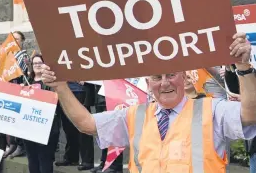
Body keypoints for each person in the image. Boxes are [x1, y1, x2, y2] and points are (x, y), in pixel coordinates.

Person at [41, 32, 256, 172]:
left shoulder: (212, 110)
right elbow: (87, 123)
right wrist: (60, 87)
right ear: (148, 83)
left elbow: (250, 115)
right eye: (156, 78)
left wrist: (243, 67)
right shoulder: (135, 115)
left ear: (184, 76)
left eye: (171, 75)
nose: (164, 83)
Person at [23, 54, 60, 173]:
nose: (37, 65)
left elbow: (56, 101)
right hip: (29, 129)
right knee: (32, 160)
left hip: (46, 129)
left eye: (40, 63)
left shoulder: (51, 82)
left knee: (45, 160)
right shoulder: (27, 81)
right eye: (35, 63)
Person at [55, 81, 94, 170]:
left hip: (79, 91)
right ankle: (71, 157)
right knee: (67, 127)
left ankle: (87, 161)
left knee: (84, 127)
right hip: (63, 90)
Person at [4, 31, 30, 158]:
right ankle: (12, 144)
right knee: (10, 120)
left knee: (18, 120)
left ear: (22, 41)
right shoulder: (9, 56)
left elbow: (22, 76)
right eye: (12, 39)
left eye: (17, 39)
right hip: (9, 92)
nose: (14, 42)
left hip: (19, 92)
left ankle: (20, 146)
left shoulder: (24, 57)